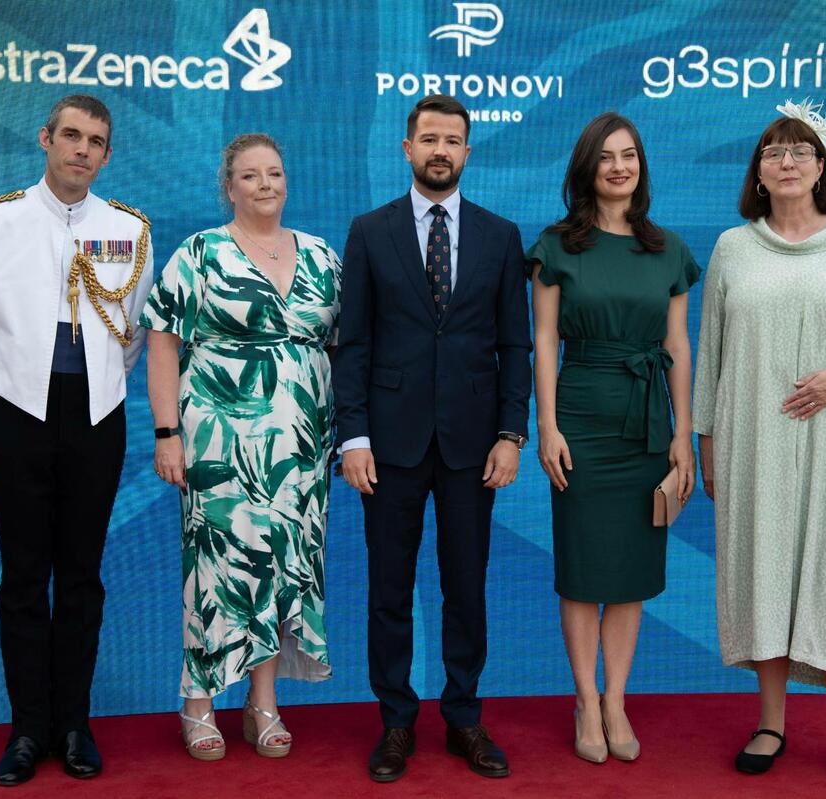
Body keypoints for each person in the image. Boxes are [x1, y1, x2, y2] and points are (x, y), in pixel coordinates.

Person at [693, 100, 826, 792]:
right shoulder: (733, 248)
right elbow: (710, 355)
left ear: (822, 168)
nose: (786, 162)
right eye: (773, 152)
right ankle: (771, 722)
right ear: (758, 171)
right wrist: (706, 445)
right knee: (762, 572)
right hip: (749, 441)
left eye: (800, 151)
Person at [0, 94, 154, 786]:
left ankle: (74, 724)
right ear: (45, 138)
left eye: (95, 141)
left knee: (83, 577)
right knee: (22, 577)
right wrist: (6, 396)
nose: (81, 149)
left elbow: (129, 334)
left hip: (96, 416)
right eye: (71, 135)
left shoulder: (128, 228)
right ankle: (27, 728)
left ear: (107, 155)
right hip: (14, 414)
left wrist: (95, 391)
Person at [332, 95, 531, 783]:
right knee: (389, 588)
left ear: (467, 152)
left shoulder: (501, 235)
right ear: (407, 148)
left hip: (474, 446)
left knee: (465, 586)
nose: (440, 150)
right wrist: (353, 436)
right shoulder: (370, 231)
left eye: (452, 140)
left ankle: (463, 716)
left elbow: (515, 345)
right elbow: (352, 344)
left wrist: (511, 433)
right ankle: (395, 722)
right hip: (387, 445)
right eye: (429, 139)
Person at [140, 133, 339, 762]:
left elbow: (342, 348)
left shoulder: (322, 256)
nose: (264, 184)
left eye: (273, 172)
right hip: (219, 446)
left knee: (281, 568)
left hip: (301, 451)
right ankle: (198, 703)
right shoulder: (200, 253)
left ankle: (262, 704)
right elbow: (162, 342)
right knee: (218, 570)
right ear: (229, 187)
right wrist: (167, 433)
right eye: (250, 175)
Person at [528, 112, 698, 764]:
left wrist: (683, 433)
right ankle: (585, 699)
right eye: (606, 156)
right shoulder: (555, 245)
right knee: (581, 570)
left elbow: (677, 344)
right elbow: (545, 339)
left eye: (629, 155)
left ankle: (616, 699)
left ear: (641, 167)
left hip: (648, 425)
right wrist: (547, 425)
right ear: (587, 168)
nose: (619, 166)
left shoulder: (667, 249)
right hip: (580, 418)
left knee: (629, 573)